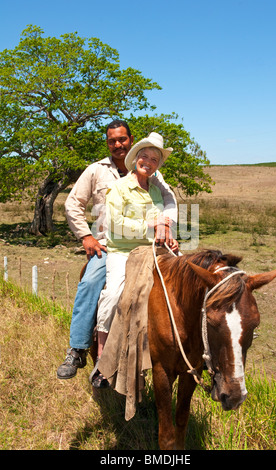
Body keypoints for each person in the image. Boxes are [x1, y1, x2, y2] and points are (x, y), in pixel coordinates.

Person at [57, 121, 177, 380]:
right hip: (108, 244)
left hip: (148, 244)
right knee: (91, 283)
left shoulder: (153, 172)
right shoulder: (96, 171)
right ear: (108, 143)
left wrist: (167, 228)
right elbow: (73, 203)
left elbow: (169, 201)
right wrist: (86, 236)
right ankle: (78, 348)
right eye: (112, 141)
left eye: (122, 139)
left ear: (131, 140)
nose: (118, 145)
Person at [91, 132, 179, 388]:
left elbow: (161, 220)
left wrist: (167, 234)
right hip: (123, 251)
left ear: (157, 166)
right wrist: (149, 224)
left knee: (187, 277)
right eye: (144, 156)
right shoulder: (118, 188)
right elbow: (115, 225)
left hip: (152, 248)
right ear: (135, 158)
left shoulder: (155, 190)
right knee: (114, 292)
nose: (148, 162)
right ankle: (102, 358)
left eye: (154, 159)